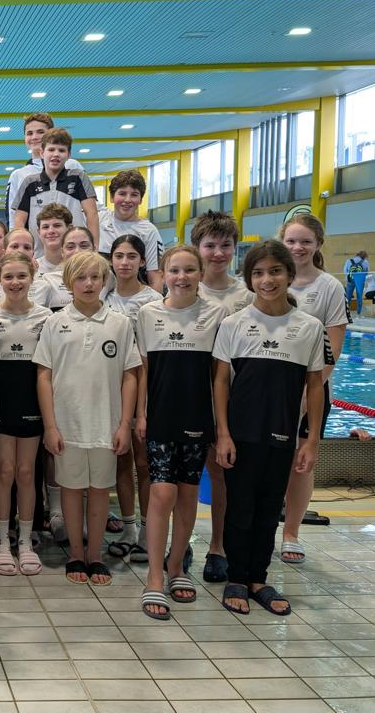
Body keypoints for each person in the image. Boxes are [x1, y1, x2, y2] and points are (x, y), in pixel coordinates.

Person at [213, 240, 326, 616]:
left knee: (268, 508)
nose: (267, 280)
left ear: (289, 275)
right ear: (249, 280)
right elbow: (221, 382)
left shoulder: (309, 327)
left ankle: (258, 579)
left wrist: (311, 439)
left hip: (282, 434)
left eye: (275, 271)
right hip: (241, 433)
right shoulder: (234, 324)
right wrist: (223, 433)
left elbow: (314, 385)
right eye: (258, 273)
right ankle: (236, 577)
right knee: (239, 507)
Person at [34, 252, 140, 586]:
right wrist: (50, 426)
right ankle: (76, 554)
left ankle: (96, 555)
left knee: (99, 490)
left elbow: (130, 375)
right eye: (81, 277)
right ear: (69, 282)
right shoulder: (55, 323)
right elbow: (43, 376)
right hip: (67, 425)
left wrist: (124, 424)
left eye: (95, 277)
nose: (89, 283)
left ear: (105, 280)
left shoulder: (120, 323)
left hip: (106, 425)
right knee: (70, 488)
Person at [136, 247, 226, 620]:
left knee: (188, 494)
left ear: (201, 273)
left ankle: (176, 566)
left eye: (190, 270)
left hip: (197, 416)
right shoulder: (148, 314)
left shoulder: (216, 314)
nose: (182, 277)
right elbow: (142, 369)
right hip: (160, 414)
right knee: (162, 493)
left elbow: (219, 376)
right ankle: (155, 575)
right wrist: (140, 413)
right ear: (163, 274)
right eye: (175, 270)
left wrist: (220, 427)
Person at [0, 253, 53, 579]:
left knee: (26, 472)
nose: (15, 282)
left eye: (21, 276)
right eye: (8, 276)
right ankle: (2, 540)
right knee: (5, 471)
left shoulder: (46, 317)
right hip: (1, 403)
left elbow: (49, 368)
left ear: (32, 277)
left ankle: (25, 540)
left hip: (31, 400)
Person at [279, 214, 347, 564]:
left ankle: (291, 533)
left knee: (301, 462)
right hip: (270, 389)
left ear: (318, 244)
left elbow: (333, 347)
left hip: (312, 390)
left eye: (306, 241)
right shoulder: (270, 278)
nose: (298, 247)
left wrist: (310, 393)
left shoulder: (329, 287)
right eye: (291, 241)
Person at [190, 210, 252, 582]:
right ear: (197, 248)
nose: (217, 253)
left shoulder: (246, 295)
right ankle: (179, 543)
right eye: (210, 245)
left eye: (225, 245)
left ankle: (218, 546)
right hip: (190, 393)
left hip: (232, 395)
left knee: (221, 473)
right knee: (181, 476)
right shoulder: (184, 286)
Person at [104, 235, 162, 560]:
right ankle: (128, 528)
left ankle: (148, 530)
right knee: (121, 461)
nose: (124, 262)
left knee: (144, 462)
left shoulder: (153, 301)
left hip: (144, 388)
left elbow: (149, 358)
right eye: (119, 256)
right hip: (112, 389)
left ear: (142, 261)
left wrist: (143, 408)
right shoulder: (105, 296)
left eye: (131, 256)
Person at [14, 128, 99, 254]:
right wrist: (21, 252)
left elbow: (92, 213)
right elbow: (19, 220)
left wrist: (94, 249)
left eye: (61, 150)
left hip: (75, 254)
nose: (56, 154)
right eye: (51, 149)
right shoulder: (29, 183)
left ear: (69, 155)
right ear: (42, 153)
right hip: (39, 254)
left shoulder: (78, 177)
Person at [5, 112, 86, 228]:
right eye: (29, 133)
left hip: (72, 236)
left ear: (51, 133)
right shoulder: (18, 175)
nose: (34, 137)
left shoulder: (72, 166)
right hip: (37, 238)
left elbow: (91, 208)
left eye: (40, 132)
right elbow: (12, 217)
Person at [97, 170, 164, 292]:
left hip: (134, 299)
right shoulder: (98, 220)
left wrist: (155, 303)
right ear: (111, 197)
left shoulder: (149, 231)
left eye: (134, 195)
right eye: (122, 193)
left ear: (141, 199)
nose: (127, 200)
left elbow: (155, 278)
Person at [35, 203, 72, 275]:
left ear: (70, 229)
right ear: (39, 232)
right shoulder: (31, 269)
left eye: (57, 225)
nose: (51, 231)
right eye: (45, 227)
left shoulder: (81, 266)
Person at [344, 250, 369, 318]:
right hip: (360, 280)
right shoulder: (365, 262)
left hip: (350, 279)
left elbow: (345, 270)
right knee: (359, 297)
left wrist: (349, 276)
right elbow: (366, 272)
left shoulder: (349, 261)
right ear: (364, 256)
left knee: (348, 297)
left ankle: (346, 314)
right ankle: (359, 314)